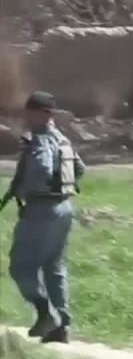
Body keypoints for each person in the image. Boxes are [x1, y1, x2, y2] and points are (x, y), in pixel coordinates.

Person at [3, 91, 85, 343]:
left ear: (42, 114)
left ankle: (46, 313)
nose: (26, 117)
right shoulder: (62, 139)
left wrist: (29, 190)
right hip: (64, 208)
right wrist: (61, 185)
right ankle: (62, 327)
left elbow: (41, 169)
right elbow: (80, 168)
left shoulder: (39, 139)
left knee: (20, 267)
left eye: (29, 112)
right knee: (54, 267)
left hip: (41, 209)